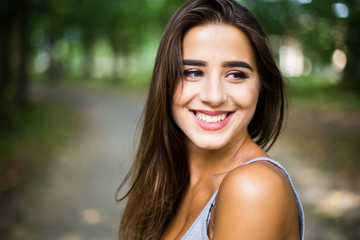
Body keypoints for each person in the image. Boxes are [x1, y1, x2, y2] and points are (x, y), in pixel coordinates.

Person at [116, 0, 305, 239]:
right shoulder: (173, 179)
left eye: (236, 75)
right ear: (165, 82)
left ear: (261, 85)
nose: (214, 97)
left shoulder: (253, 188)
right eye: (193, 73)